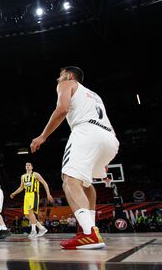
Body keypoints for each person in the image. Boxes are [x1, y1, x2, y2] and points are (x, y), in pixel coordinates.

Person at [31, 66, 119, 249]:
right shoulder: (94, 94)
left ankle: (89, 233)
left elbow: (62, 109)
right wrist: (102, 157)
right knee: (86, 184)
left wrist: (43, 136)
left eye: (60, 74)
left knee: (69, 181)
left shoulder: (67, 83)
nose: (58, 78)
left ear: (70, 76)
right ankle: (90, 230)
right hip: (109, 139)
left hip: (86, 132)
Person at [9, 162, 54, 238]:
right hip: (26, 195)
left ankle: (33, 231)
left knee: (30, 211)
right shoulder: (23, 176)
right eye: (26, 165)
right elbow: (21, 187)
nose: (27, 166)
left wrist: (48, 194)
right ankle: (41, 228)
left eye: (29, 165)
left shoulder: (36, 174)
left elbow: (45, 183)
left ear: (32, 167)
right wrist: (14, 193)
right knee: (27, 215)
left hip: (34, 194)